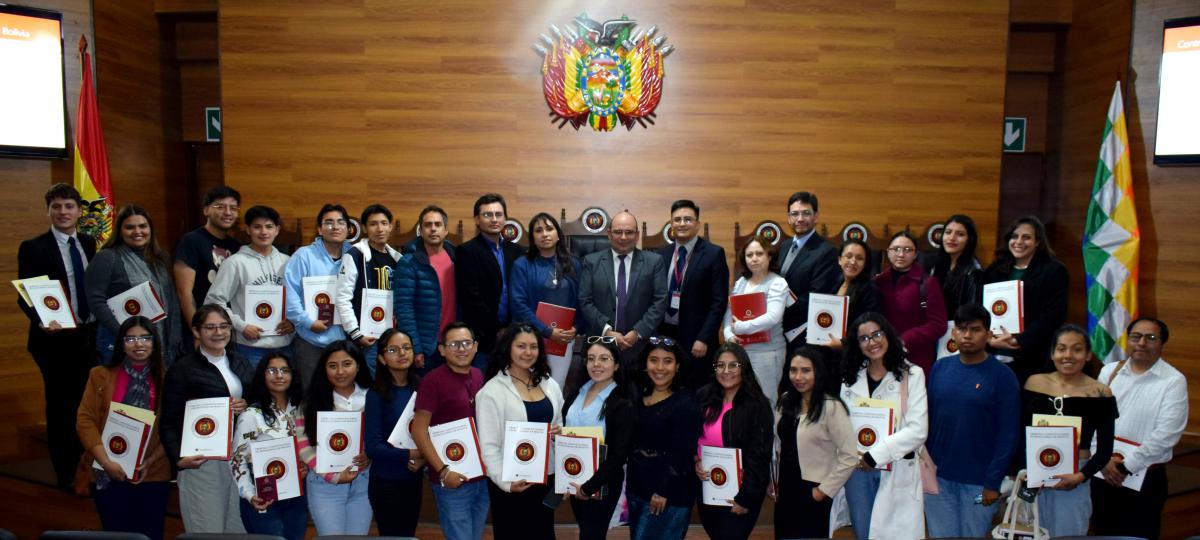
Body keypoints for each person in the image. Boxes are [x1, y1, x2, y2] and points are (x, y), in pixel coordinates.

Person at [18, 183, 97, 489]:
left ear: (79, 211)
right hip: (54, 341)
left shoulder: (90, 244)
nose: (63, 212)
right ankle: (66, 474)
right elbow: (26, 295)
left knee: (87, 404)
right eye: (57, 207)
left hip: (87, 337)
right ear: (48, 210)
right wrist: (41, 319)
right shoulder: (34, 247)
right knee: (62, 407)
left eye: (69, 206)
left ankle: (88, 468)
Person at [924, 304, 1020, 538]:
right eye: (962, 329)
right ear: (953, 333)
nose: (967, 335)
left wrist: (992, 482)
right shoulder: (939, 368)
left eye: (975, 329)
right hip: (938, 479)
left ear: (988, 334)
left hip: (979, 483)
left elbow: (1009, 434)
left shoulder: (1003, 377)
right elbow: (926, 422)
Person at [1092, 317, 1188, 540]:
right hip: (1103, 473)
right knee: (1103, 533)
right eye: (1136, 337)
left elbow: (1166, 435)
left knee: (1140, 535)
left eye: (1151, 338)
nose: (1142, 343)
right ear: (1128, 341)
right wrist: (1104, 460)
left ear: (1162, 343)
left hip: (1145, 478)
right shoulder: (1109, 372)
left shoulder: (1173, 381)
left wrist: (1126, 467)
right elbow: (1093, 420)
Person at [159, 304, 253, 532]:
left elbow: (257, 398)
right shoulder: (182, 369)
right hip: (202, 462)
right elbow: (169, 420)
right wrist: (179, 458)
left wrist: (247, 403)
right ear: (196, 331)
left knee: (237, 529)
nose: (218, 332)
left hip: (238, 457)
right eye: (210, 327)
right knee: (207, 529)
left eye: (223, 326)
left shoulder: (239, 361)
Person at [76, 317, 170, 540]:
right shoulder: (100, 375)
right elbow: (85, 420)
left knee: (151, 536)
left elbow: (172, 426)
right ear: (121, 343)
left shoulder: (168, 378)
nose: (139, 344)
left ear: (155, 342)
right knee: (115, 534)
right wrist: (107, 462)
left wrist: (150, 462)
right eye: (131, 339)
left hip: (152, 473)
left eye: (145, 338)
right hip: (108, 472)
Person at [839, 313, 928, 540]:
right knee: (863, 532)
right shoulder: (850, 377)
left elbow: (918, 429)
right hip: (858, 471)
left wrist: (874, 455)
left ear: (888, 334)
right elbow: (843, 424)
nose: (873, 342)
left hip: (896, 466)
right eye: (864, 338)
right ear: (857, 345)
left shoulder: (913, 374)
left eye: (877, 334)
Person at [1021, 324, 1116, 538]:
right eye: (1062, 348)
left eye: (1077, 349)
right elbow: (1021, 434)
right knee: (1031, 533)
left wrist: (1081, 476)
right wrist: (1024, 470)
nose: (1068, 355)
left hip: (1075, 477)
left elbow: (1104, 450)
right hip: (1034, 476)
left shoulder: (1100, 392)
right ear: (1053, 353)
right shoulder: (1034, 383)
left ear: (1088, 354)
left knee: (1068, 534)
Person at [476, 323, 565, 540]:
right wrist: (506, 483)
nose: (528, 352)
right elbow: (488, 447)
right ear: (508, 348)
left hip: (546, 479)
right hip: (513, 484)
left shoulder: (549, 383)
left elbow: (559, 423)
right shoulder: (491, 391)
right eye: (521, 346)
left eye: (533, 347)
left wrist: (560, 433)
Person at [410, 322, 488, 540]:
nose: (461, 349)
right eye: (454, 344)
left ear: (475, 347)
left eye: (466, 343)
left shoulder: (479, 375)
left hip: (481, 476)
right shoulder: (432, 381)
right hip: (452, 478)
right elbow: (419, 430)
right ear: (442, 349)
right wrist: (444, 471)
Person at [774, 345, 858, 539]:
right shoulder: (785, 401)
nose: (798, 377)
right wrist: (774, 478)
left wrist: (823, 491)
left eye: (805, 370)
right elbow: (779, 443)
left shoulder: (832, 407)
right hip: (785, 488)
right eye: (793, 370)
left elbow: (850, 456)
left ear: (818, 372)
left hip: (813, 492)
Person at [693, 343, 773, 540]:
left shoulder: (757, 405)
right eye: (720, 365)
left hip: (741, 495)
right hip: (708, 488)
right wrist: (695, 460)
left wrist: (746, 498)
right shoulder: (703, 396)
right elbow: (690, 437)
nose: (726, 371)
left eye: (733, 365)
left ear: (744, 368)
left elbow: (760, 456)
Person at [626, 337, 701, 540]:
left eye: (667, 361)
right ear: (645, 364)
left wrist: (663, 491)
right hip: (637, 489)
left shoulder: (687, 402)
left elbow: (682, 452)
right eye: (654, 360)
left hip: (667, 495)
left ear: (677, 366)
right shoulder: (639, 395)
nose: (660, 367)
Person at [87, 204, 181, 365]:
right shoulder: (107, 257)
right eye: (130, 227)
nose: (138, 232)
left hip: (162, 343)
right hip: (121, 343)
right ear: (120, 231)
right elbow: (96, 301)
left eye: (143, 226)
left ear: (150, 228)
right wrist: (125, 334)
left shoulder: (161, 258)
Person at [229, 351, 308, 540]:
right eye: (272, 370)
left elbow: (310, 450)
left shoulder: (302, 411)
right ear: (262, 375)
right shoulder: (251, 415)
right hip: (263, 494)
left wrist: (307, 466)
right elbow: (237, 459)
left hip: (296, 495)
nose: (279, 375)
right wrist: (249, 494)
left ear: (292, 375)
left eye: (284, 370)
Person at [562, 336, 635, 540]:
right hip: (574, 479)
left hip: (603, 485)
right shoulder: (575, 394)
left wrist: (589, 487)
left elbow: (619, 454)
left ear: (616, 363)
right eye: (591, 358)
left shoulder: (622, 403)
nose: (596, 364)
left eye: (604, 358)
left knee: (591, 536)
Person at [205, 205, 295, 369]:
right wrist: (242, 326)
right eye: (257, 227)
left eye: (269, 226)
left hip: (284, 346)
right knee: (252, 394)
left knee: (284, 393)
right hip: (249, 348)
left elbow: (297, 301)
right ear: (247, 229)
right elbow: (214, 303)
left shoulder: (288, 262)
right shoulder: (235, 263)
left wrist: (293, 322)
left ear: (277, 230)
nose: (263, 232)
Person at [299, 340, 374, 535]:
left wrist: (370, 456)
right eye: (333, 366)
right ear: (324, 369)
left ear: (358, 365)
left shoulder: (372, 397)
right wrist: (333, 476)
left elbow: (379, 438)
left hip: (363, 481)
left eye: (347, 364)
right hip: (324, 484)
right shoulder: (311, 402)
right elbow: (304, 447)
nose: (340, 372)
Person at [984, 215, 1068, 384]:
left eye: (1026, 237)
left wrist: (1019, 340)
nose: (1019, 241)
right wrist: (988, 337)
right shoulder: (995, 269)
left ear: (1038, 242)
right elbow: (982, 308)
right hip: (992, 353)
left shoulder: (1054, 271)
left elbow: (1053, 315)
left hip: (1032, 357)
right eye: (1014, 236)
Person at [579, 211, 668, 369]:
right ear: (609, 234)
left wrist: (638, 332)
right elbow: (585, 301)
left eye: (629, 232)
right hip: (601, 345)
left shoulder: (654, 262)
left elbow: (660, 301)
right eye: (618, 232)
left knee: (638, 392)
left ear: (637, 235)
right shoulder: (591, 262)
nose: (623, 237)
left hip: (641, 346)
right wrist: (607, 331)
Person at [655, 200, 729, 386]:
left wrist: (703, 338)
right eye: (677, 219)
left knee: (697, 389)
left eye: (687, 219)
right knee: (667, 386)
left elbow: (718, 302)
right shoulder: (661, 255)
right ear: (671, 223)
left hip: (697, 339)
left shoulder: (713, 254)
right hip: (666, 333)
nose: (682, 223)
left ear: (697, 224)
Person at [363, 329, 425, 537]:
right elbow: (372, 447)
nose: (402, 353)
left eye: (406, 348)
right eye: (393, 349)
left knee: (408, 535)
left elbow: (430, 433)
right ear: (381, 358)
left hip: (413, 478)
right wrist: (411, 454)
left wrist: (423, 459)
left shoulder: (422, 388)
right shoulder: (376, 394)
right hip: (386, 482)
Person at [509, 212, 582, 386]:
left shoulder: (574, 264)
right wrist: (547, 331)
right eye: (538, 230)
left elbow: (582, 300)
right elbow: (519, 304)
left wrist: (576, 327)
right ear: (532, 237)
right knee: (528, 388)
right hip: (530, 338)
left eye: (549, 229)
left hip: (563, 339)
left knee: (556, 388)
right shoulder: (522, 264)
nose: (545, 234)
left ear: (558, 234)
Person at [284, 203, 353, 388]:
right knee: (312, 395)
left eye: (340, 222)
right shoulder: (303, 256)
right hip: (311, 340)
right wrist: (308, 323)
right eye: (329, 222)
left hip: (345, 341)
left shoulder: (355, 255)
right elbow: (290, 296)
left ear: (348, 228)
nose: (335, 227)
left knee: (343, 396)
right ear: (319, 229)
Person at [721, 234, 790, 409]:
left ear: (769, 256)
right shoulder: (741, 283)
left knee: (766, 402)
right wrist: (729, 334)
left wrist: (742, 327)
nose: (754, 259)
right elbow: (730, 311)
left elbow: (773, 317)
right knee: (743, 402)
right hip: (742, 352)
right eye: (749, 255)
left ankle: (770, 437)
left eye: (759, 254)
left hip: (768, 353)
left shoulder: (778, 283)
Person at [456, 193, 522, 365]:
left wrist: (512, 329)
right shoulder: (466, 251)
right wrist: (497, 330)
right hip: (483, 337)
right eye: (487, 215)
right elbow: (471, 298)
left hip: (515, 334)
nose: (494, 219)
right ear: (477, 220)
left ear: (505, 218)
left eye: (498, 214)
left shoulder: (517, 251)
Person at [336, 204, 401, 375]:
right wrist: (356, 333)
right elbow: (343, 297)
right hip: (367, 340)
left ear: (390, 226)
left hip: (392, 336)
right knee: (370, 387)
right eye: (373, 224)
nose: (380, 229)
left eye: (384, 223)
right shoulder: (355, 255)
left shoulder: (397, 259)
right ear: (364, 228)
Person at [174, 186, 243, 345]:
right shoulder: (191, 241)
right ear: (206, 210)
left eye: (233, 208)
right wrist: (197, 330)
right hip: (201, 329)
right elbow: (184, 291)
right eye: (220, 207)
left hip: (227, 330)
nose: (227, 212)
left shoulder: (237, 247)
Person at [873, 231, 947, 375]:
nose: (901, 254)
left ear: (915, 254)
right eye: (896, 249)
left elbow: (939, 325)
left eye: (907, 250)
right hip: (881, 355)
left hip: (916, 357)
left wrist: (905, 339)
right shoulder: (878, 282)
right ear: (888, 252)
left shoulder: (928, 283)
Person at [394, 205, 457, 374]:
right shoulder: (409, 262)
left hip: (454, 344)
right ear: (420, 230)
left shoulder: (457, 257)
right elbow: (404, 308)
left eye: (438, 224)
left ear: (446, 230)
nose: (433, 229)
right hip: (427, 346)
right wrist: (415, 346)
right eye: (428, 225)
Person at [778, 192, 841, 348]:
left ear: (816, 216)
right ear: (788, 218)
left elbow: (816, 298)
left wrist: (775, 313)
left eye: (806, 213)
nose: (800, 219)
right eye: (795, 214)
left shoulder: (826, 252)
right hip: (779, 331)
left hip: (802, 335)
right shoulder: (784, 246)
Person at [931, 215, 982, 318]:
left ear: (969, 240)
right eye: (948, 232)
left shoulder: (974, 271)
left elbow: (972, 312)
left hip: (959, 328)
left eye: (960, 234)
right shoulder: (938, 264)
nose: (952, 238)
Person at [836, 239, 881, 331]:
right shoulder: (833, 282)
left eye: (859, 258)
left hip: (851, 342)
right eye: (848, 256)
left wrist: (842, 344)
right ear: (840, 260)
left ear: (865, 264)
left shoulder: (870, 290)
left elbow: (869, 326)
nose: (853, 262)